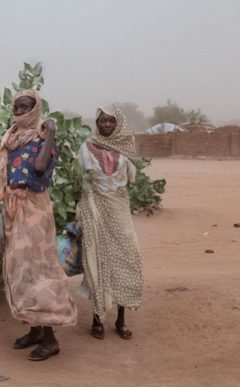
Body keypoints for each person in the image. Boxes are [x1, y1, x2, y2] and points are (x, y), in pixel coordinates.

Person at [0, 89, 77, 361]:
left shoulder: (42, 139)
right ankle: (36, 330)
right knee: (21, 270)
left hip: (35, 210)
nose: (20, 112)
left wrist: (50, 134)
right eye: (16, 107)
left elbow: (37, 169)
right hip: (14, 210)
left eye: (25, 107)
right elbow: (13, 173)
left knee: (39, 271)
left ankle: (51, 339)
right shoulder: (12, 138)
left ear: (35, 109)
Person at [75, 104, 143, 340]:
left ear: (118, 123)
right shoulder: (86, 147)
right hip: (94, 210)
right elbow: (80, 178)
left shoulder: (126, 149)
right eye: (102, 121)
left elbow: (130, 179)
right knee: (96, 262)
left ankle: (121, 320)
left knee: (126, 259)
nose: (106, 125)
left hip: (119, 210)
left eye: (111, 121)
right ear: (97, 122)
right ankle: (97, 319)